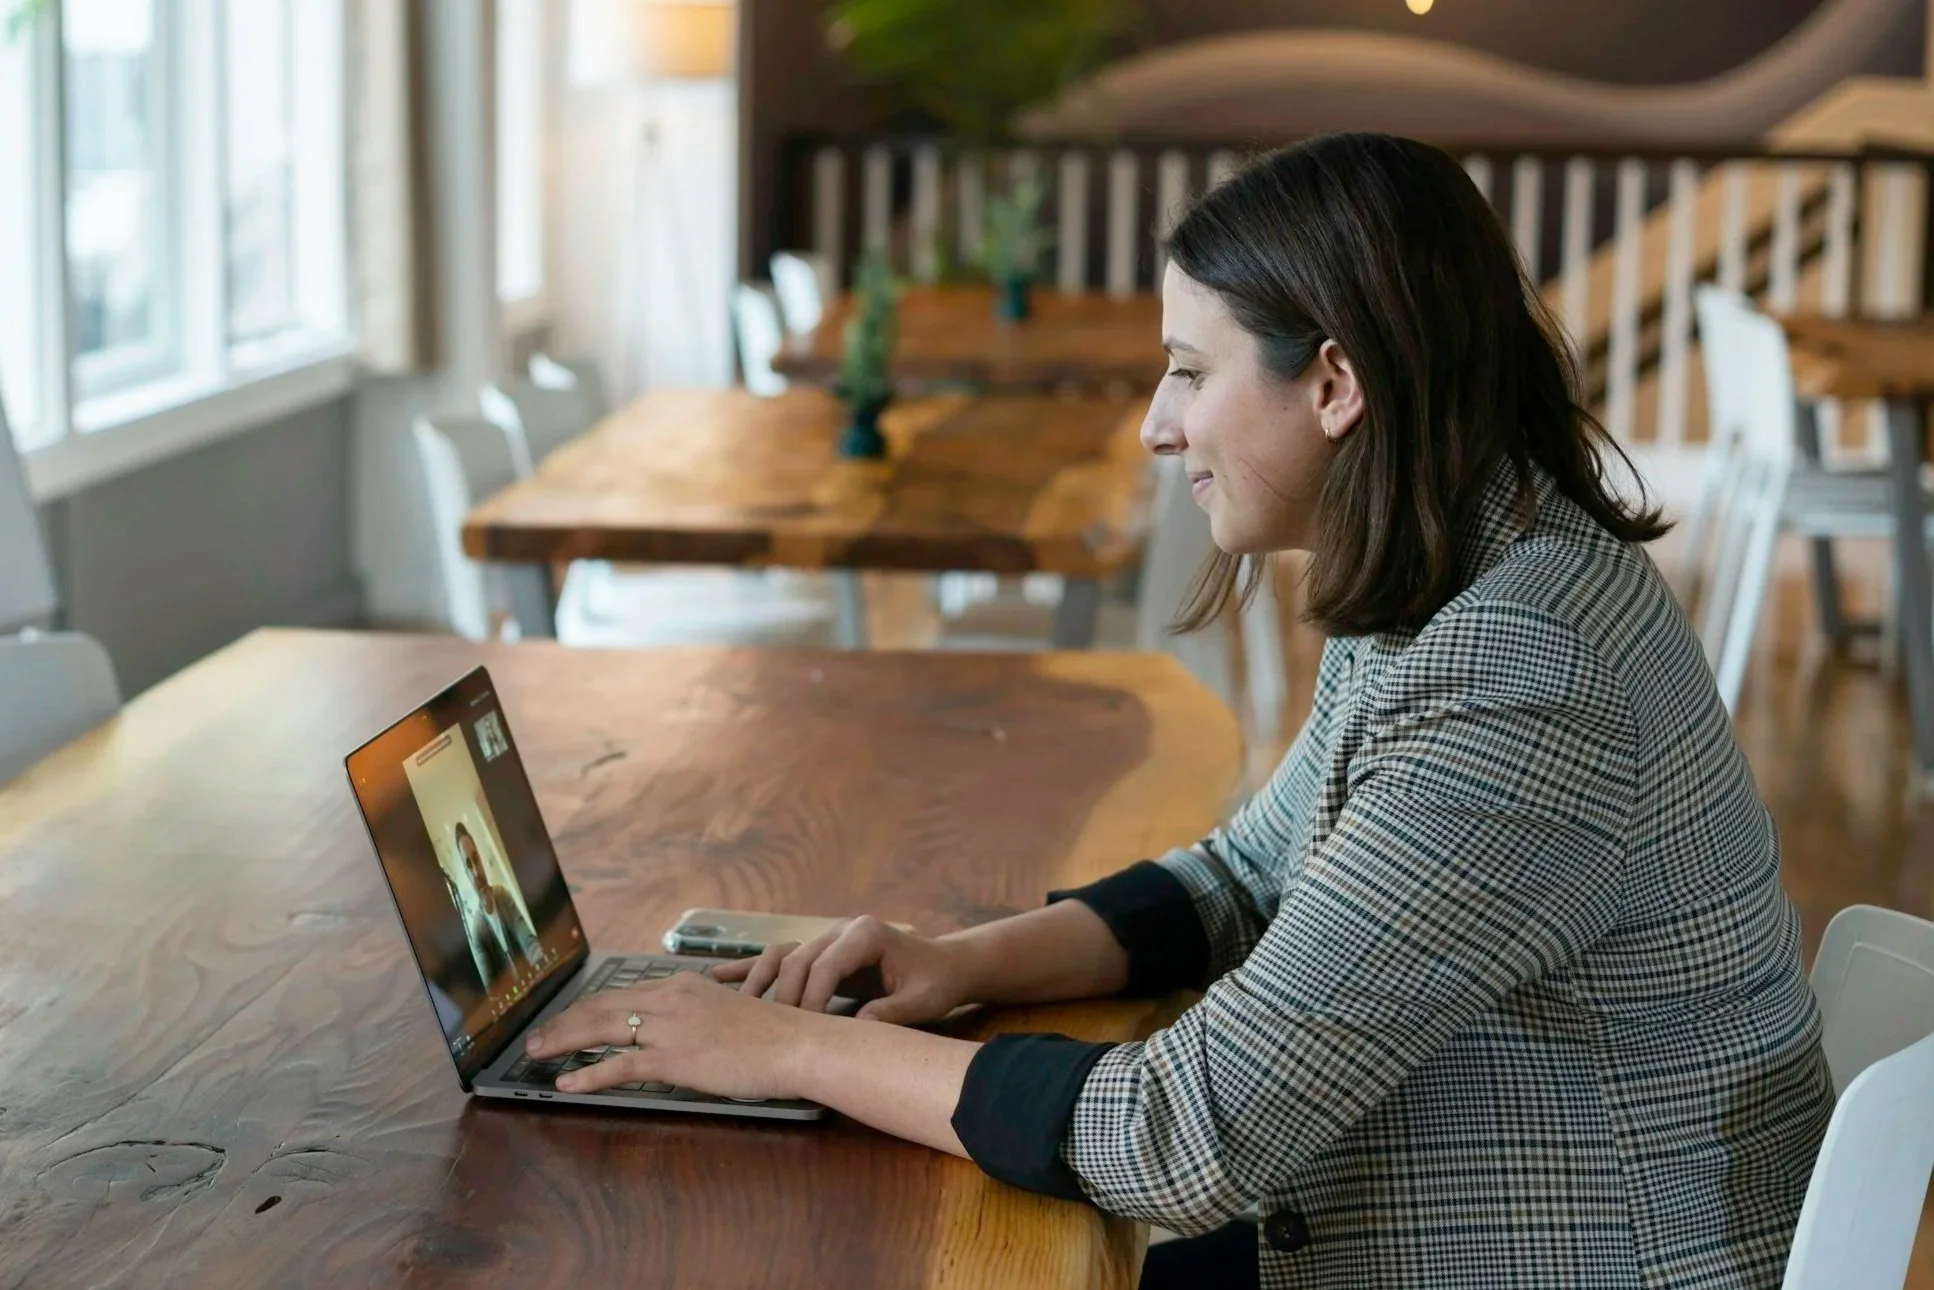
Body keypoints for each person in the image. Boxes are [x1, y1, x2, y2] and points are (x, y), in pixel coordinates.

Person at [522, 133, 1834, 1289]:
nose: (1156, 426)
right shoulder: (1470, 570)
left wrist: (789, 1053)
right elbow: (1247, 874)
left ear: (1332, 383)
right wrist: (961, 960)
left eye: (1187, 372)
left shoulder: (1526, 669)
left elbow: (1185, 1134)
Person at [453, 820, 539, 988]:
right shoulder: (477, 932)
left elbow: (528, 940)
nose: (477, 872)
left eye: (476, 859)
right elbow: (491, 991)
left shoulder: (503, 896)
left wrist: (542, 960)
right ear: (465, 873)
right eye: (469, 866)